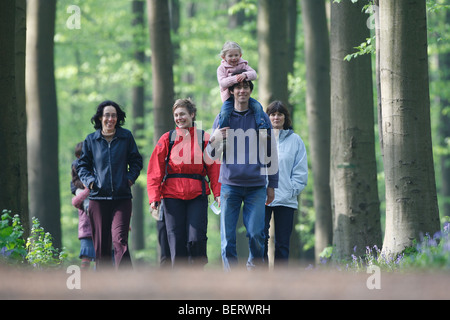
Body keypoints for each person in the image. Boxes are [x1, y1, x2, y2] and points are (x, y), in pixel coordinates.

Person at [207, 79, 279, 271]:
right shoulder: (223, 117)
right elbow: (211, 155)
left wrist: (272, 184)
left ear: (250, 90)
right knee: (227, 238)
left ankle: (254, 272)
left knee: (257, 233)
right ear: (231, 91)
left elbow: (271, 151)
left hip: (257, 185)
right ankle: (231, 279)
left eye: (245, 87)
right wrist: (214, 139)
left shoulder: (261, 117)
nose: (242, 91)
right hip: (230, 185)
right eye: (238, 87)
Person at [147, 98, 221, 268]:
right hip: (172, 196)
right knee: (176, 239)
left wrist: (218, 193)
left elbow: (215, 169)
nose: (179, 118)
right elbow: (154, 170)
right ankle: (179, 282)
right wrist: (154, 198)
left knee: (196, 238)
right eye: (176, 115)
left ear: (192, 115)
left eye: (183, 114)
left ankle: (197, 274)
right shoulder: (167, 139)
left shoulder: (205, 138)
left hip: (197, 195)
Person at [77, 100, 143, 270]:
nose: (110, 119)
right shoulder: (91, 140)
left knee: (119, 239)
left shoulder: (126, 137)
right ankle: (104, 284)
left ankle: (126, 281)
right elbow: (82, 165)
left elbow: (136, 161)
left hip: (122, 198)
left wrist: (129, 179)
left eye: (114, 115)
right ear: (100, 118)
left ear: (117, 118)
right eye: (107, 115)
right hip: (98, 199)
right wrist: (90, 182)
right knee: (101, 245)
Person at [264, 101, 308, 267]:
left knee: (282, 242)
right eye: (272, 114)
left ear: (285, 117)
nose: (276, 117)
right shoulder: (260, 138)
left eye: (279, 114)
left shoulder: (295, 140)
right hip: (262, 197)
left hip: (286, 199)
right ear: (267, 117)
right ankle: (261, 276)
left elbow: (301, 169)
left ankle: (281, 279)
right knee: (260, 237)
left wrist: (292, 190)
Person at [217, 41, 269, 130]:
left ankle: (262, 127)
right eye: (230, 56)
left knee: (257, 106)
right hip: (229, 98)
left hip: (244, 97)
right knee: (224, 112)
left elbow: (254, 74)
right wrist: (235, 79)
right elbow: (223, 83)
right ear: (223, 57)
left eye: (236, 55)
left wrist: (245, 75)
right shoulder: (222, 68)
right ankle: (224, 130)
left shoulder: (243, 65)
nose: (234, 58)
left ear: (240, 55)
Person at [71, 141, 95, 270]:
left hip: (99, 228)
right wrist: (86, 188)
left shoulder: (94, 167)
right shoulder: (75, 166)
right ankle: (84, 281)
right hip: (86, 228)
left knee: (99, 256)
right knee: (86, 256)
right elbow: (74, 185)